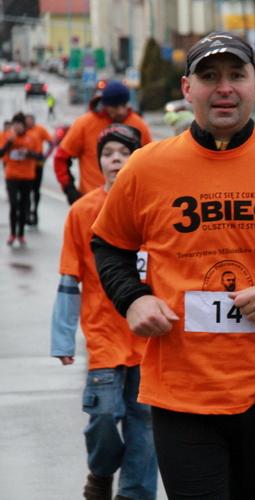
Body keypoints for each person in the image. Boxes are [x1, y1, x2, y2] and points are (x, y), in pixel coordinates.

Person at [90, 31, 255, 499]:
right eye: (209, 77)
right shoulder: (146, 168)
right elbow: (108, 245)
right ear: (187, 89)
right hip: (181, 391)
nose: (224, 88)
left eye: (236, 75)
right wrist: (133, 299)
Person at [50, 123, 157, 500]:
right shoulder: (82, 212)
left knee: (145, 425)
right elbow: (69, 278)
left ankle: (134, 494)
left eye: (124, 153)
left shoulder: (154, 208)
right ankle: (100, 472)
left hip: (150, 340)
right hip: (104, 339)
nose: (116, 160)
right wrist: (63, 338)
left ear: (136, 160)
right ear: (98, 163)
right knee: (103, 416)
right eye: (108, 154)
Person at [54, 80, 153, 204]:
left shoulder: (138, 125)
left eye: (124, 105)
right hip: (92, 203)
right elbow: (61, 158)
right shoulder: (84, 124)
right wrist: (69, 189)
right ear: (105, 105)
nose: (121, 111)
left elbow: (150, 163)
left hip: (129, 203)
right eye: (115, 107)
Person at [0, 112, 42, 246]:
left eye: (20, 124)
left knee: (24, 205)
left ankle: (21, 234)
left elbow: (40, 156)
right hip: (11, 176)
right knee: (14, 205)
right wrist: (9, 143)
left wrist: (28, 153)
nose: (17, 127)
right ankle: (12, 233)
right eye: (15, 124)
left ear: (24, 126)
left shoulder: (32, 137)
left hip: (27, 176)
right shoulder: (6, 135)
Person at [24, 114, 55, 226]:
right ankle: (27, 213)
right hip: (26, 164)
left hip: (38, 163)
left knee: (36, 189)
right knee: (27, 190)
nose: (29, 122)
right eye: (27, 120)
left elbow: (52, 143)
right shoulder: (23, 131)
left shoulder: (40, 129)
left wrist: (45, 156)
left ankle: (35, 211)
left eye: (30, 120)